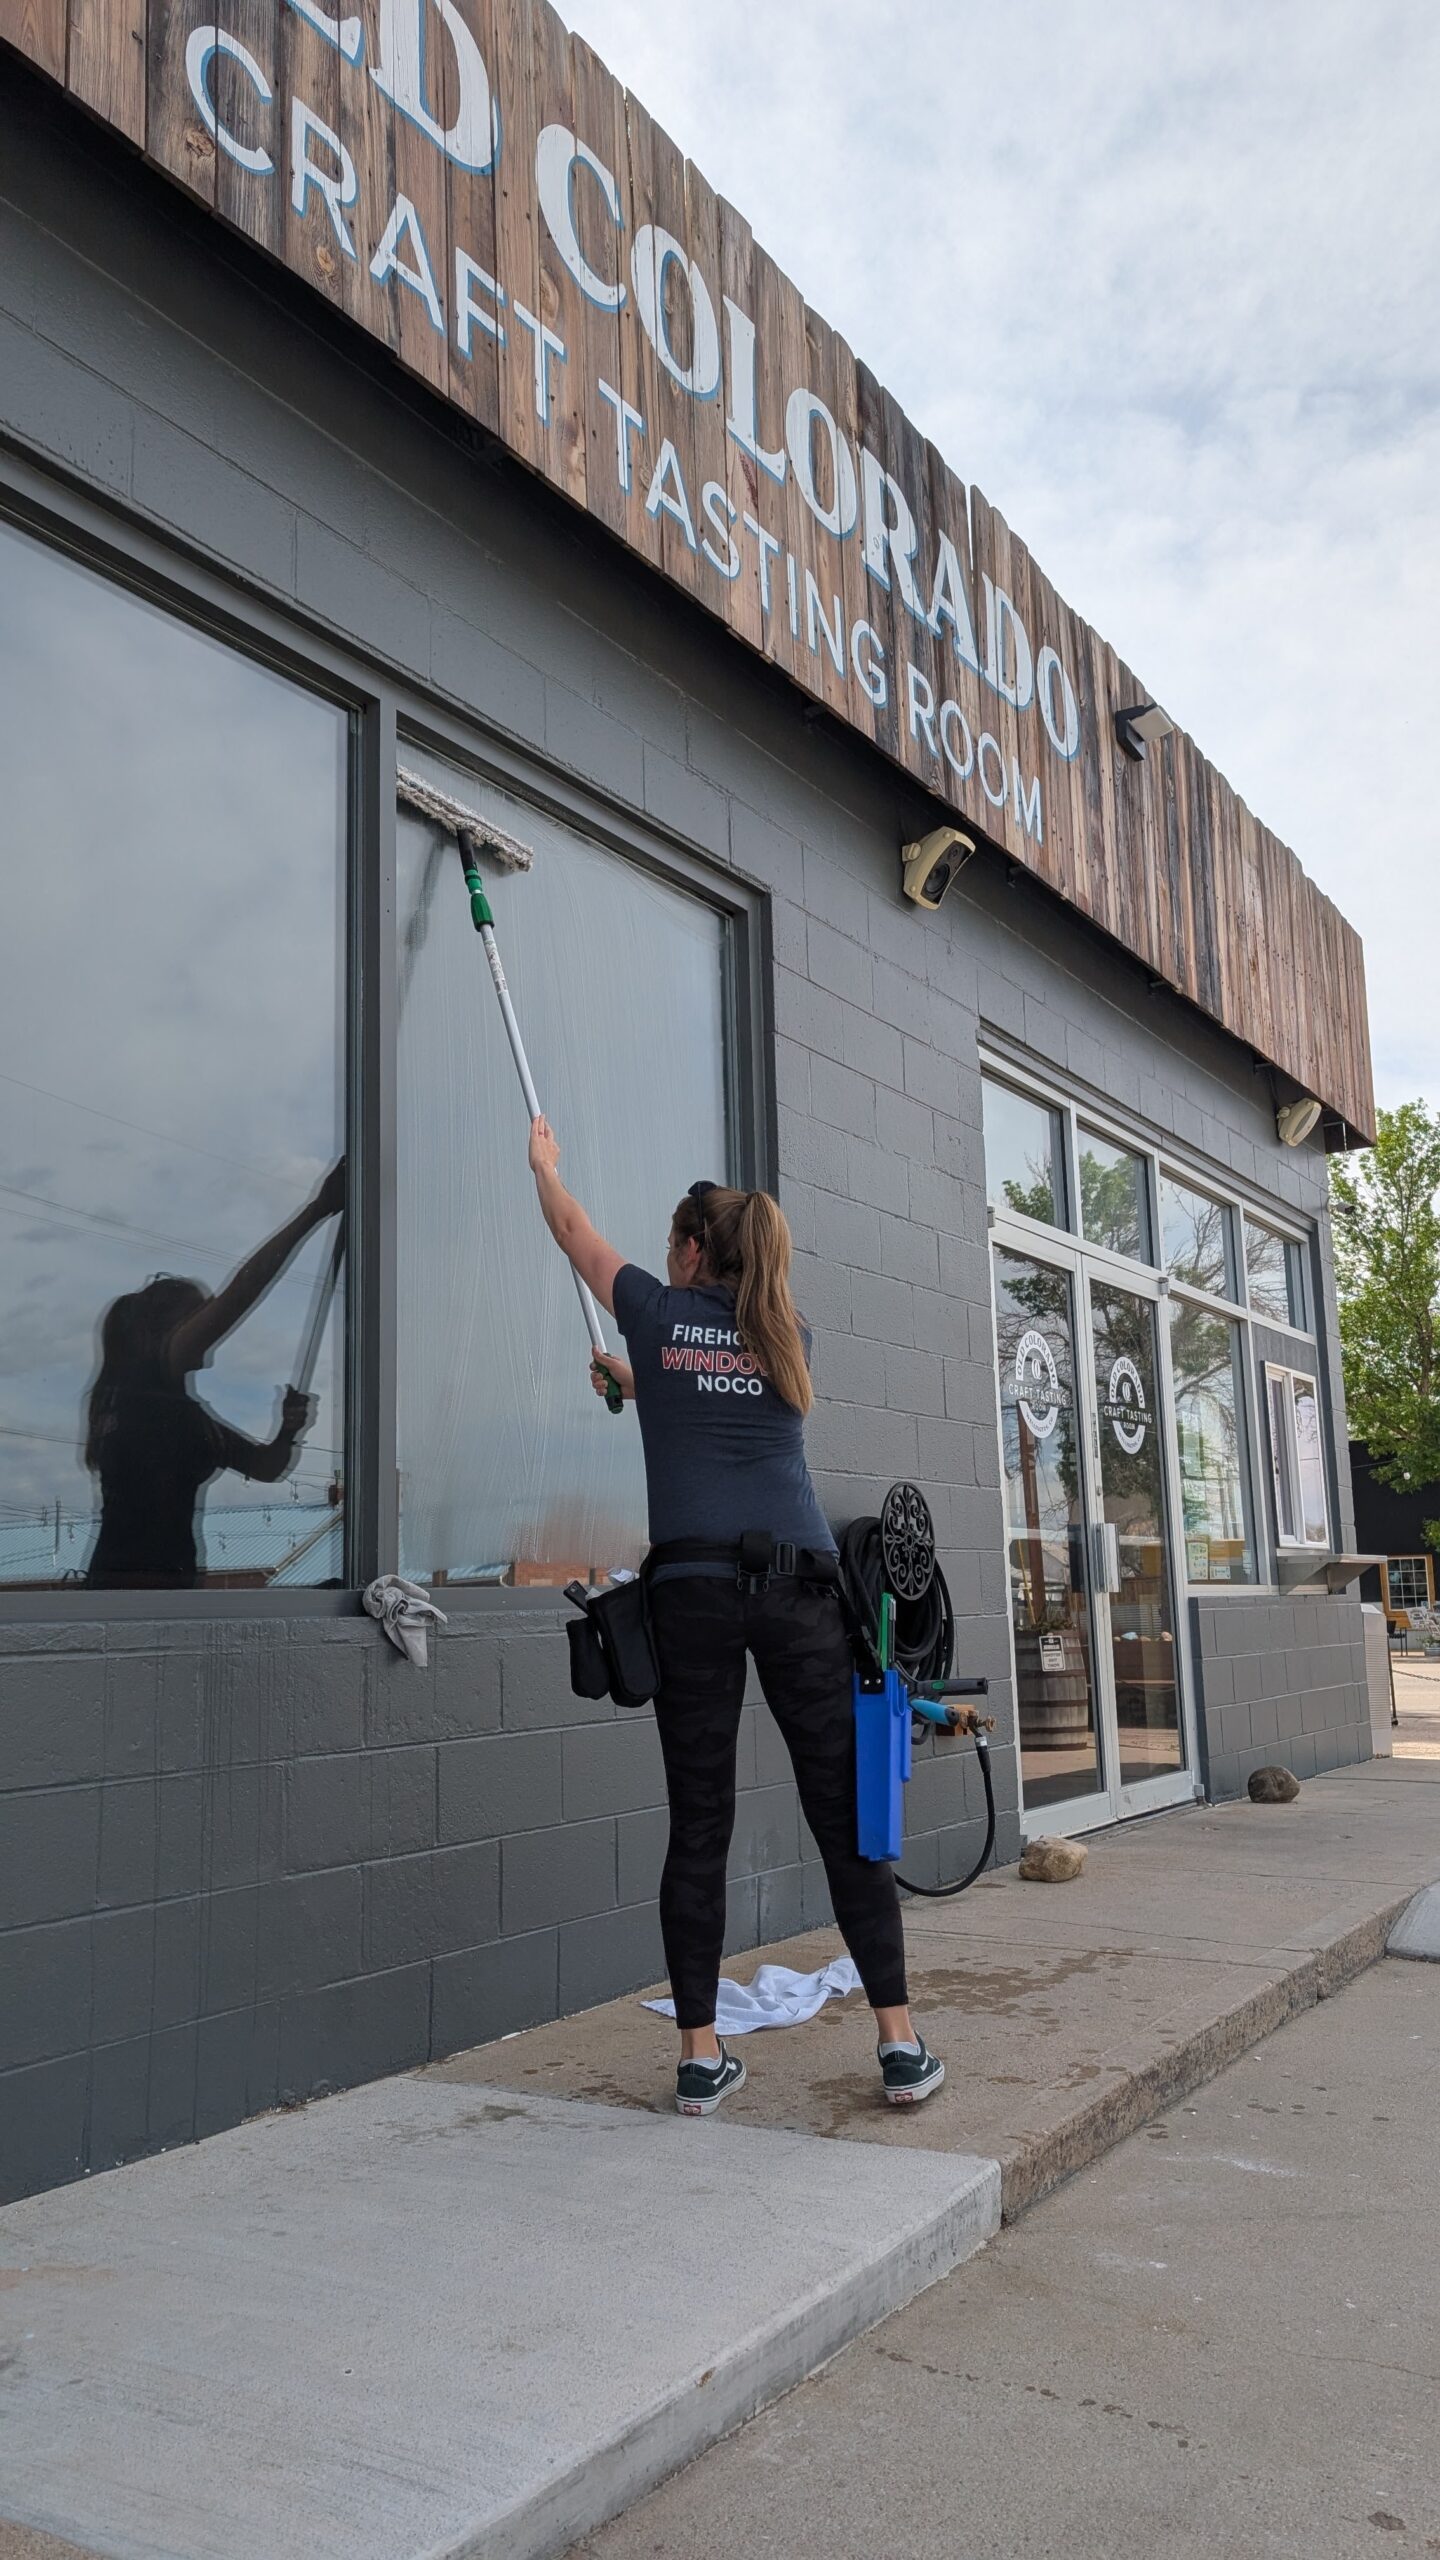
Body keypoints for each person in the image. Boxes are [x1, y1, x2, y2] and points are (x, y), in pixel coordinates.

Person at [527, 1114, 943, 2118]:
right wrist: (637, 1380)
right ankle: (898, 2041)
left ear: (688, 1250)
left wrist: (544, 1162)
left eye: (672, 1244)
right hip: (800, 1589)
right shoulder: (785, 1336)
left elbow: (573, 1229)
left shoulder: (658, 1313)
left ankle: (701, 2057)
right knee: (844, 1821)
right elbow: (728, 1408)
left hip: (698, 1593)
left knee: (700, 1820)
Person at [84, 1164, 344, 1589]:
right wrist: (316, 1210)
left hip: (143, 1593)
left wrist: (287, 1431)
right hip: (140, 1595)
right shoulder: (145, 1392)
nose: (211, 1323)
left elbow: (264, 1466)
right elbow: (240, 1295)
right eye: (198, 1314)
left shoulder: (179, 1416)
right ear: (165, 1331)